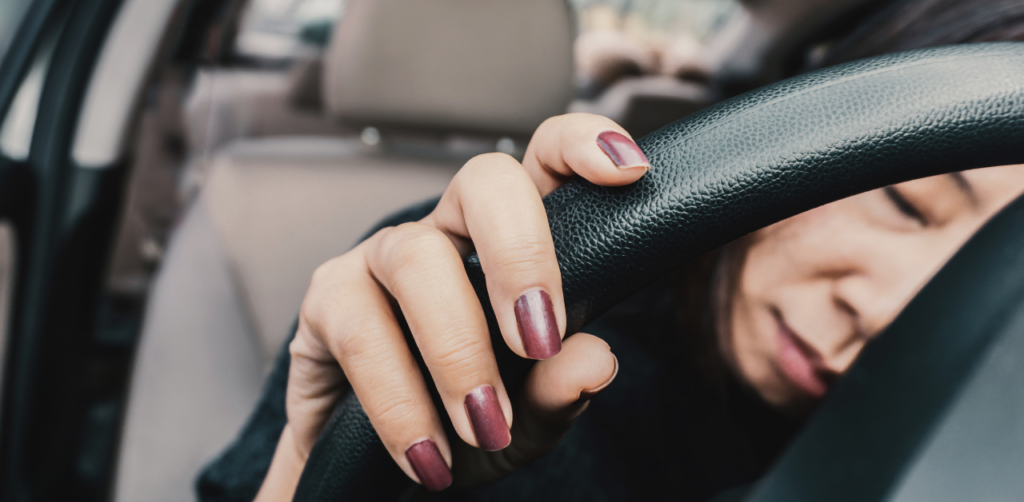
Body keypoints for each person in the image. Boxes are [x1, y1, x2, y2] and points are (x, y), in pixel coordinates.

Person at [197, 0, 1024, 500]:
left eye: (982, 280)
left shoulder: (970, 441)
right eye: (906, 198)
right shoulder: (500, 290)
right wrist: (320, 462)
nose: (883, 310)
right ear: (808, 116)